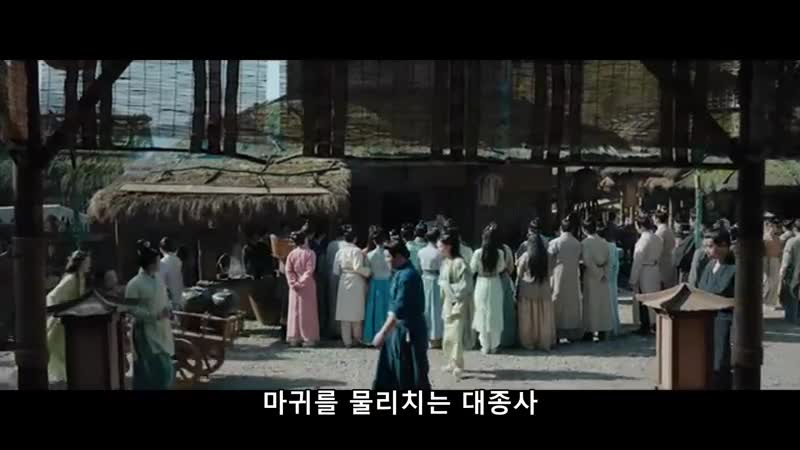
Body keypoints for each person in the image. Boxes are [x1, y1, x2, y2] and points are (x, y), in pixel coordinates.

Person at [372, 239, 431, 389]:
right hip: (397, 330)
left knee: (409, 373)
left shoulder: (408, 276)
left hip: (409, 331)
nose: (386, 260)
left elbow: (398, 310)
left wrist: (382, 333)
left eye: (388, 257)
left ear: (398, 256)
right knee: (392, 371)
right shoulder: (399, 273)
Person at [125, 240, 175, 390]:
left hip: (162, 328)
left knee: (165, 368)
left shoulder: (158, 279)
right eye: (158, 261)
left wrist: (169, 309)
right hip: (144, 332)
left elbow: (165, 298)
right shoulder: (135, 283)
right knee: (152, 370)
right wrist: (153, 315)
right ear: (151, 263)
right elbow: (130, 308)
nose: (159, 263)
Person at [696, 226, 736, 389]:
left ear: (724, 245)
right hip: (707, 317)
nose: (708, 250)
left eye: (711, 246)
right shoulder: (709, 265)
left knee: (721, 361)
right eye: (706, 246)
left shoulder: (735, 267)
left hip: (726, 321)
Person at [46, 250, 91, 382]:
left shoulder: (80, 278)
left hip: (71, 321)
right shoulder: (71, 279)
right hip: (62, 323)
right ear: (80, 263)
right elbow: (52, 296)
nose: (89, 265)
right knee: (63, 353)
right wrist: (57, 311)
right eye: (87, 262)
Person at [515, 219, 556, 350]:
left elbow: (519, 273)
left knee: (528, 318)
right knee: (543, 317)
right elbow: (551, 271)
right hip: (543, 289)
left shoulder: (525, 256)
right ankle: (544, 340)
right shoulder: (548, 255)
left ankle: (528, 341)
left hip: (527, 290)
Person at [437, 231, 473, 378]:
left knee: (457, 335)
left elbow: (466, 285)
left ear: (448, 246)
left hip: (459, 303)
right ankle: (451, 362)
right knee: (448, 335)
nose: (439, 249)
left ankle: (458, 365)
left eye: (440, 246)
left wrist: (449, 289)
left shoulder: (460, 263)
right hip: (448, 302)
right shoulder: (445, 262)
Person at [470, 224, 506, 354]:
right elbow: (501, 268)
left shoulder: (477, 253)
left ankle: (484, 345)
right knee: (495, 314)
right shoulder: (500, 253)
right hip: (495, 283)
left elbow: (472, 269)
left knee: (482, 313)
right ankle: (494, 345)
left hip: (481, 283)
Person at [333, 227, 371, 347]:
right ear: (355, 239)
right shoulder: (357, 251)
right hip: (356, 280)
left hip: (343, 279)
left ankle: (347, 341)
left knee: (344, 312)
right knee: (356, 311)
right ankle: (357, 338)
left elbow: (335, 270)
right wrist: (368, 271)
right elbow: (357, 267)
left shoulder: (339, 252)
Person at [549, 218, 583, 343]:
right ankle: (572, 333)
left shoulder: (555, 242)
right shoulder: (577, 243)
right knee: (572, 302)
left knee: (558, 301)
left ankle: (557, 332)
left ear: (560, 228)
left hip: (558, 274)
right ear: (572, 229)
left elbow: (549, 258)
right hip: (573, 275)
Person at [444, 222, 476, 350]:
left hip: (452, 287)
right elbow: (472, 269)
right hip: (465, 287)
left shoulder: (447, 252)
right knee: (466, 315)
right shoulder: (468, 250)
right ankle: (466, 340)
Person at [580, 219, 613, 341]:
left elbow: (587, 261)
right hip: (603, 274)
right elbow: (610, 260)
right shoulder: (604, 242)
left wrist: (598, 273)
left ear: (584, 229)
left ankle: (589, 330)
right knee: (602, 303)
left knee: (591, 303)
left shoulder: (585, 243)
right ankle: (602, 330)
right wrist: (605, 273)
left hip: (591, 275)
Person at [630, 215, 663, 335]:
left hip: (645, 270)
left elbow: (637, 260)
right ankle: (654, 323)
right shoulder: (657, 238)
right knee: (655, 297)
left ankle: (645, 325)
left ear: (640, 226)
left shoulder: (643, 240)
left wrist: (633, 278)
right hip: (655, 269)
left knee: (643, 298)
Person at [285, 230, 319, 347]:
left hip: (294, 286)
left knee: (294, 311)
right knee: (307, 312)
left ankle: (294, 337)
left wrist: (293, 282)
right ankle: (308, 338)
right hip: (307, 285)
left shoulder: (291, 254)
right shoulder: (310, 253)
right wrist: (301, 282)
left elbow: (288, 270)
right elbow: (310, 270)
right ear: (305, 239)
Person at [362, 227, 393, 345]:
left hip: (375, 283)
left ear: (374, 241)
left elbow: (368, 271)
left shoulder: (369, 255)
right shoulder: (389, 253)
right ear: (384, 239)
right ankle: (389, 336)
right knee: (388, 310)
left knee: (374, 311)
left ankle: (372, 337)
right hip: (388, 282)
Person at [418, 227, 444, 348]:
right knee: (436, 308)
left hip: (424, 278)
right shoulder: (439, 253)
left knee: (425, 307)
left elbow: (418, 267)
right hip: (436, 279)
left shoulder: (421, 251)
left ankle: (425, 334)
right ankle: (436, 336)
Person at [271, 223, 292, 339]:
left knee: (288, 303)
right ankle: (284, 329)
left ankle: (288, 328)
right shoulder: (278, 243)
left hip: (290, 274)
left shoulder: (291, 244)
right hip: (284, 274)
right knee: (285, 302)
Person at [600, 223, 621, 336]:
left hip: (606, 277)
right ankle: (614, 326)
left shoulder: (604, 246)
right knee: (613, 302)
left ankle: (608, 327)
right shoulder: (613, 246)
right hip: (612, 277)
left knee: (607, 303)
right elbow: (616, 263)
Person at [498, 227, 517, 348]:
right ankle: (506, 339)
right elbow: (511, 267)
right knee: (506, 310)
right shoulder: (506, 249)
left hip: (490, 280)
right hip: (504, 279)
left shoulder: (483, 248)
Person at [779, 219, 800, 323]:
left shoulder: (792, 241)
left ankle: (792, 318)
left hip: (793, 273)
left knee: (791, 296)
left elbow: (786, 261)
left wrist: (782, 273)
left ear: (794, 228)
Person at [159, 237, 185, 310]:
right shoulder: (178, 261)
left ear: (161, 249)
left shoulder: (162, 263)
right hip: (180, 298)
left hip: (169, 301)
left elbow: (161, 283)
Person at [654, 209, 677, 289]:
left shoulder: (660, 232)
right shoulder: (669, 230)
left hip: (661, 263)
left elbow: (657, 249)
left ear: (657, 219)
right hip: (669, 260)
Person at [763, 218, 783, 308]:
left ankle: (771, 301)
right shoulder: (765, 238)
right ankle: (765, 299)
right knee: (767, 281)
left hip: (775, 260)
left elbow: (779, 251)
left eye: (774, 226)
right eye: (771, 226)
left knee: (775, 281)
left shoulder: (778, 238)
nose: (773, 228)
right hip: (766, 260)